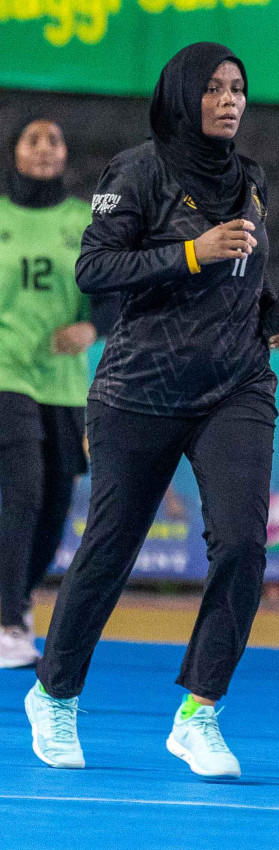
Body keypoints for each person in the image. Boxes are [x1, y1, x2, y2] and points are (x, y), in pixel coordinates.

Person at [23, 43, 279, 780]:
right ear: (182, 95)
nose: (228, 100)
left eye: (238, 88)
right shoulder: (138, 170)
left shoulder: (252, 179)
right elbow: (95, 269)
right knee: (109, 552)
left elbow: (247, 274)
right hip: (139, 391)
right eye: (212, 88)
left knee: (242, 546)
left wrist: (274, 314)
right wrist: (192, 251)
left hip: (236, 386)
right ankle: (54, 694)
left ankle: (199, 711)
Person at [0, 117, 98, 668]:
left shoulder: (82, 220)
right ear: (14, 152)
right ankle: (7, 622)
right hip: (5, 371)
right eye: (31, 139)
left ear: (65, 153)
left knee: (56, 503)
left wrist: (93, 327)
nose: (43, 149)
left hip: (63, 381)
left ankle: (16, 595)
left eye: (53, 140)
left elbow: (113, 289)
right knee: (22, 489)